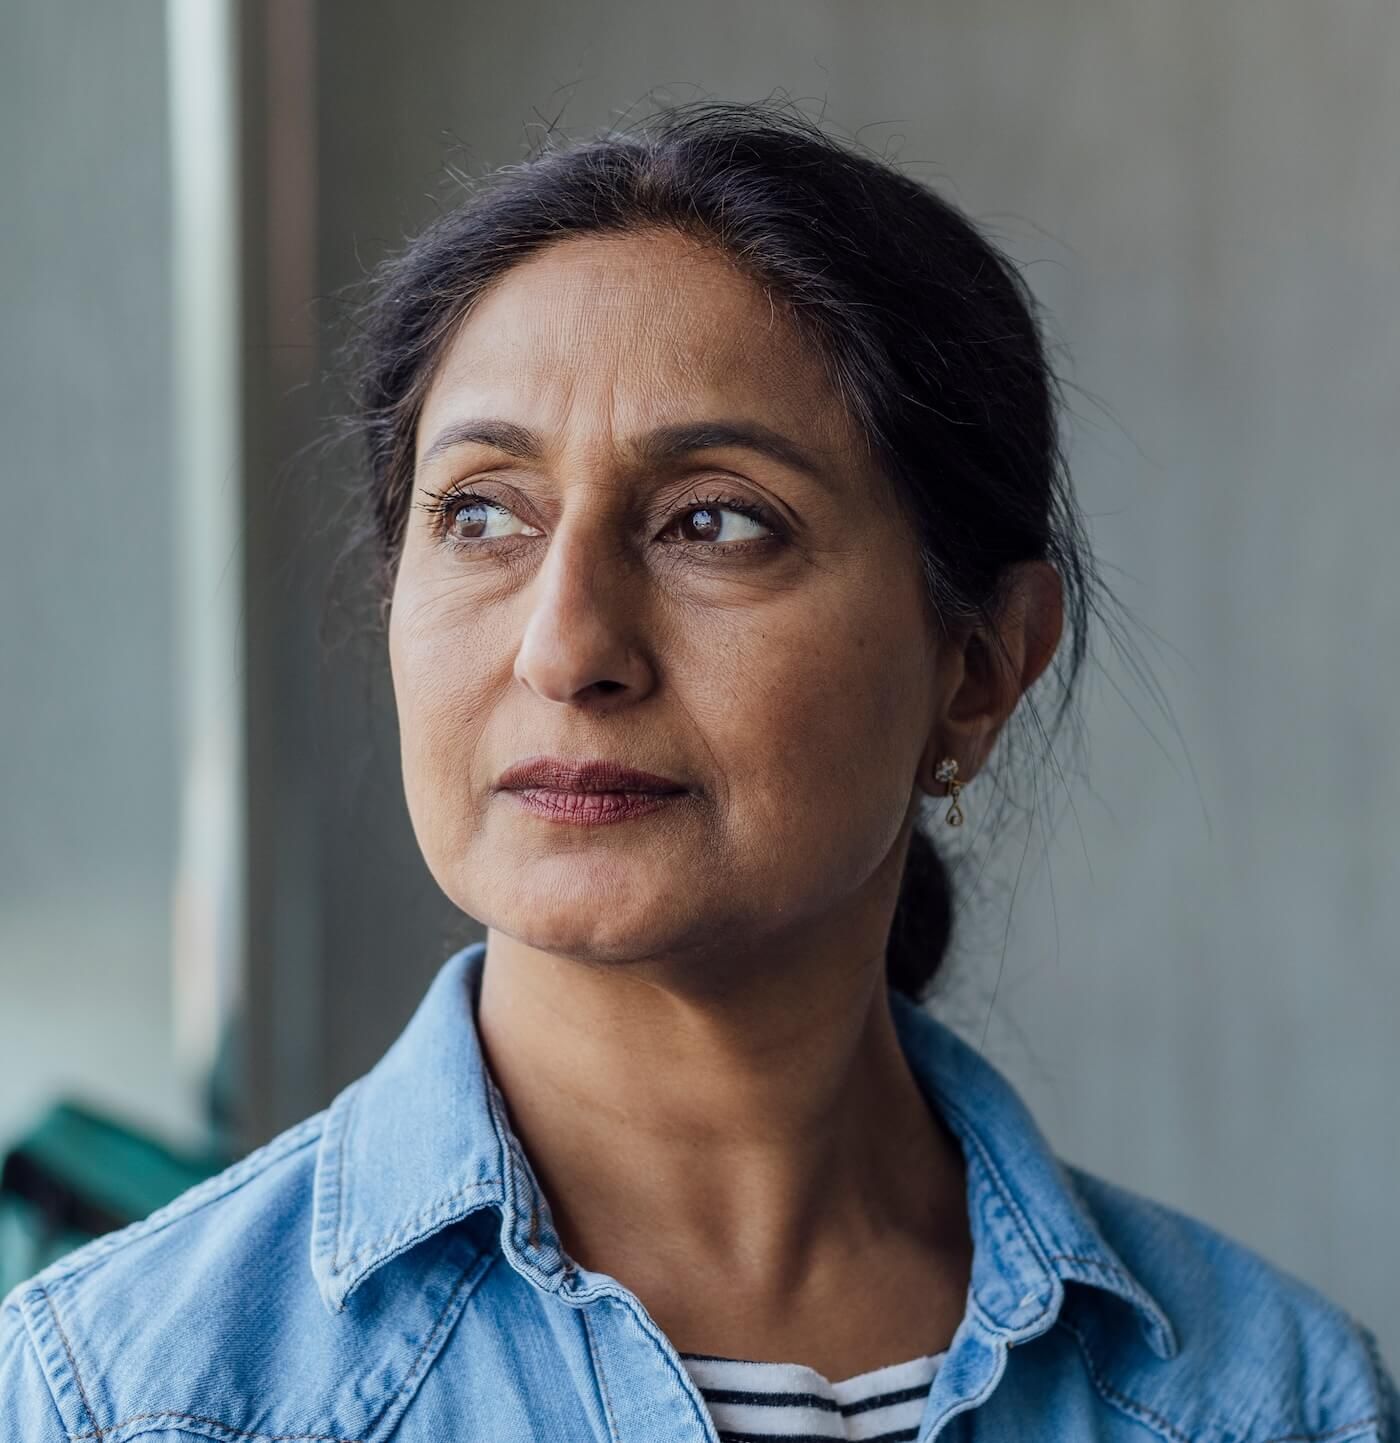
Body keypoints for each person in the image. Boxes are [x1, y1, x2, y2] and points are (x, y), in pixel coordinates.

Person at [2, 99, 1395, 1443]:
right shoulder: (125, 1397)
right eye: (481, 514)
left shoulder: (1274, 1402)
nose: (566, 650)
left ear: (978, 670)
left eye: (714, 523)